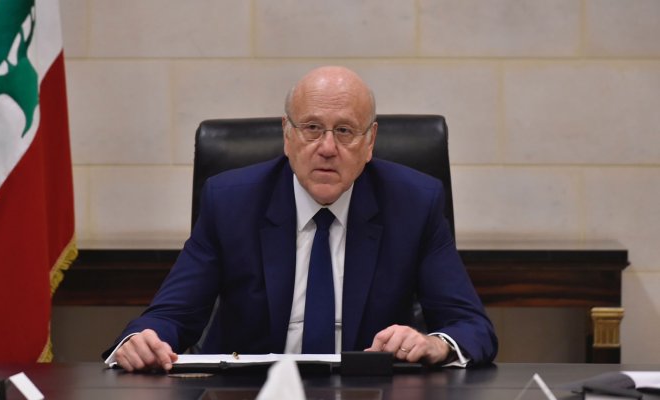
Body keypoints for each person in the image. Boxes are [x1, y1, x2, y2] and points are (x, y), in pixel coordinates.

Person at [103, 66, 498, 372]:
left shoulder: (414, 203)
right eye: (311, 128)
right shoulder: (230, 202)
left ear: (370, 142)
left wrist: (435, 344)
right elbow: (172, 315)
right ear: (287, 135)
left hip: (365, 391)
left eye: (345, 131)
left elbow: (470, 326)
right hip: (248, 392)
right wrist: (141, 341)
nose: (327, 148)